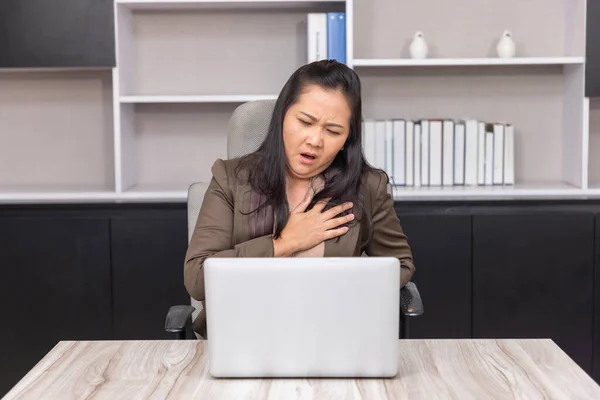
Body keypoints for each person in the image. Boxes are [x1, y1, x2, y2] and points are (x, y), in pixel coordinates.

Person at [184, 59, 415, 337]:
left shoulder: (368, 187)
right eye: (305, 122)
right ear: (283, 115)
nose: (315, 140)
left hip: (335, 336)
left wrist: (350, 287)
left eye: (333, 131)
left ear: (347, 139)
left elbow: (400, 265)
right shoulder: (230, 178)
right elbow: (198, 278)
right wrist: (286, 243)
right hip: (243, 336)